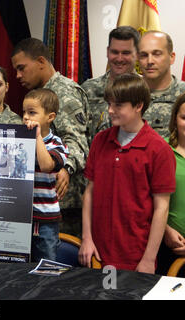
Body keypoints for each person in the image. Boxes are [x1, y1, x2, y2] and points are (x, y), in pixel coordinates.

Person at [78, 73, 176, 273]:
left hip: (135, 257)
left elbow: (161, 207)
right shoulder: (100, 140)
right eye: (109, 104)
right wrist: (87, 238)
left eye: (118, 106)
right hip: (96, 253)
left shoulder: (159, 149)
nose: (110, 110)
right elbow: (90, 192)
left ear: (138, 106)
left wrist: (148, 259)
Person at [11, 37, 89, 238]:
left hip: (62, 200)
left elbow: (77, 141)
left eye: (22, 68)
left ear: (41, 62)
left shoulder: (64, 92)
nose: (18, 75)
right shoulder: (38, 95)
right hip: (38, 199)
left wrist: (66, 167)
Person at [23, 88, 69, 262]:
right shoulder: (19, 138)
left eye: (32, 112)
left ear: (50, 117)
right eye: (24, 112)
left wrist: (37, 138)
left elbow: (47, 165)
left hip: (46, 219)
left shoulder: (57, 143)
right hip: (21, 216)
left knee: (46, 263)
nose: (26, 117)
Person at [81, 26, 139, 141]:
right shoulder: (88, 90)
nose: (119, 58)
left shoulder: (145, 90)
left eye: (126, 53)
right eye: (115, 52)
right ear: (107, 52)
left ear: (137, 54)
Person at [156, 93, 185, 276]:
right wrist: (165, 230)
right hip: (166, 246)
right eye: (184, 117)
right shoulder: (160, 149)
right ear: (175, 119)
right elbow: (145, 198)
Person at [138, 30, 185, 138]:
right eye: (144, 55)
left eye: (156, 54)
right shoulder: (127, 95)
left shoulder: (183, 94)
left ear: (172, 57)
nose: (150, 61)